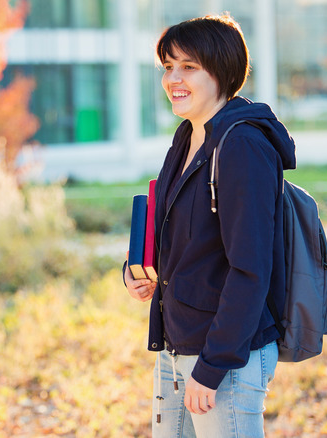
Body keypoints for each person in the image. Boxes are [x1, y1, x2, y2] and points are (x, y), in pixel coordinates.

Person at [123, 14, 297, 437]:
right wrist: (135, 273)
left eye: (188, 66)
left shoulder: (242, 145)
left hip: (224, 357)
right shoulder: (187, 137)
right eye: (168, 66)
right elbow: (177, 237)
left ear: (220, 71)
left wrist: (214, 365)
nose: (173, 78)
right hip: (175, 346)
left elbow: (250, 267)